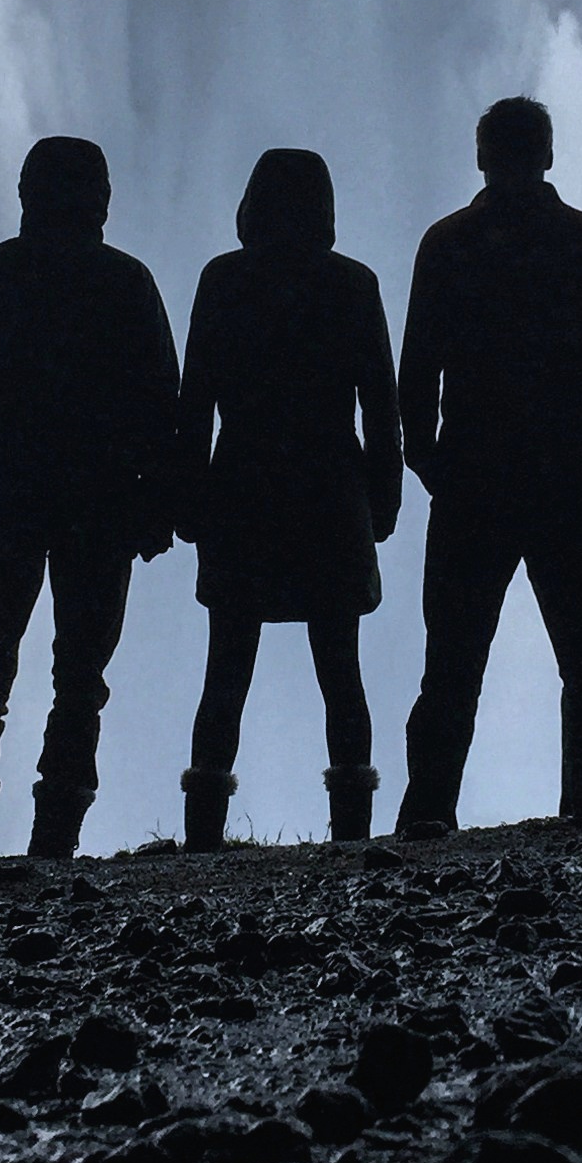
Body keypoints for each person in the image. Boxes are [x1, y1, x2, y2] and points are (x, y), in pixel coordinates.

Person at [0, 136, 180, 862]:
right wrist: (157, 509)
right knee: (80, 681)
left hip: (0, 503)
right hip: (99, 511)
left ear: (27, 193)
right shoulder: (128, 284)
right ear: (100, 199)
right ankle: (53, 843)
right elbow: (163, 410)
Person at [393, 96, 582, 833]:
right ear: (549, 155)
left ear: (481, 156)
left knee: (453, 662)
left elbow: (417, 370)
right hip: (570, 480)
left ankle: (430, 808)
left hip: (474, 477)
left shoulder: (447, 244)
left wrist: (428, 456)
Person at [172, 149, 401, 849]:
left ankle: (204, 829)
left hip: (241, 486)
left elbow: (196, 404)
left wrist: (188, 497)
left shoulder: (224, 281)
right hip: (332, 490)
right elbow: (381, 409)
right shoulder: (353, 284)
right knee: (341, 665)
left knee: (227, 667)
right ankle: (352, 830)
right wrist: (383, 500)